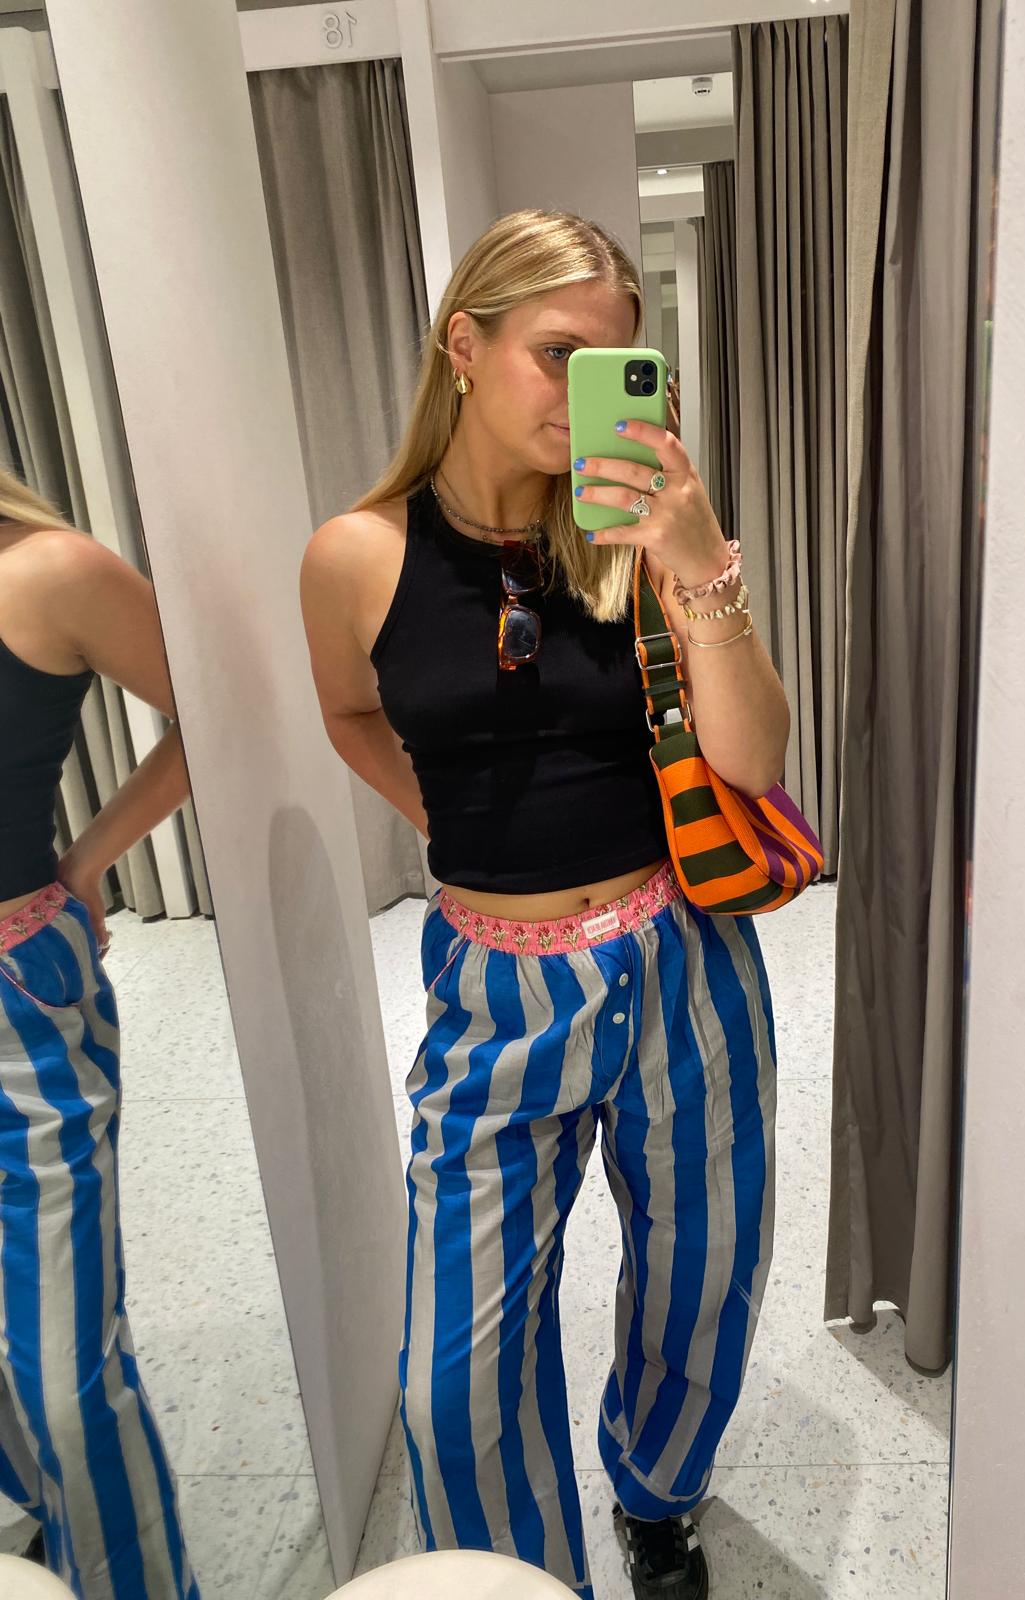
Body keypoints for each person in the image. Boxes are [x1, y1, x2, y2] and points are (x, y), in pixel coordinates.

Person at [299, 209, 791, 1600]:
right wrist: (449, 826)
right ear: (464, 345)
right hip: (492, 985)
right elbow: (348, 709)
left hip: (679, 957)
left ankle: (656, 1494)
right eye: (558, 353)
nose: (587, 391)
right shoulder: (356, 554)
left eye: (615, 360)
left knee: (702, 1272)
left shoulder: (635, 538)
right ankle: (518, 1576)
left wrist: (702, 563)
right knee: (451, 1381)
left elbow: (755, 757)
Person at [0, 467, 199, 1598]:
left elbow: (212, 710)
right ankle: (42, 1522)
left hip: (16, 1005)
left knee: (67, 1380)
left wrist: (88, 858)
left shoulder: (48, 571)